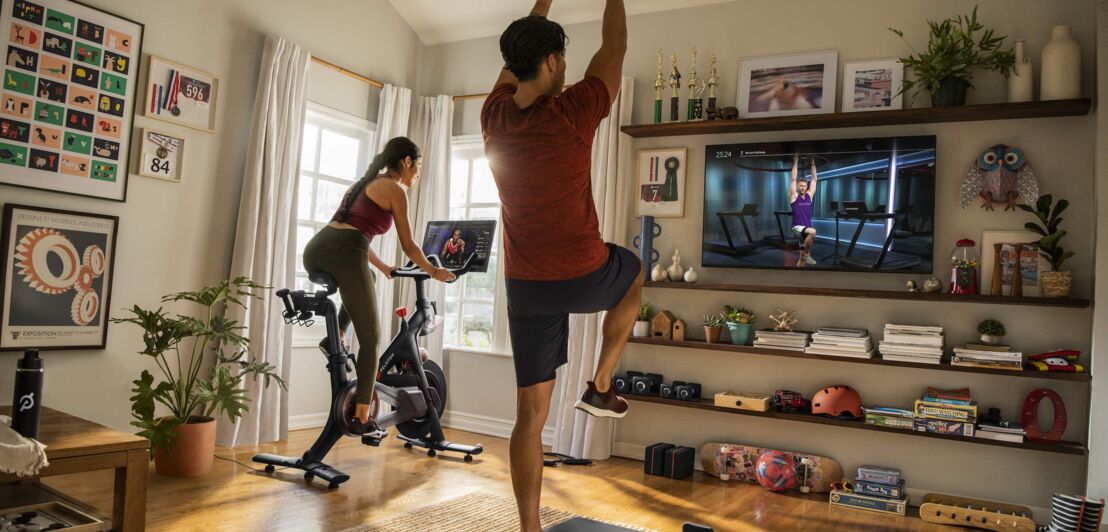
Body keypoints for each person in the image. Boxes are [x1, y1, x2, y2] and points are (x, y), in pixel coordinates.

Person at [481, 1, 639, 530]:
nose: (568, 68)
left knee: (530, 417)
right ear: (551, 61)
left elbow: (513, 61)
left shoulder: (493, 115)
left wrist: (541, 4)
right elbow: (613, 48)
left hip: (526, 287)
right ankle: (600, 381)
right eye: (563, 59)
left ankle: (528, 527)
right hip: (582, 274)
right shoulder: (573, 112)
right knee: (635, 272)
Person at [301, 136, 455, 429]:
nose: (418, 174)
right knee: (371, 337)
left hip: (317, 249)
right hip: (345, 252)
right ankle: (361, 414)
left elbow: (350, 231)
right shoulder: (395, 190)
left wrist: (382, 267)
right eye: (418, 166)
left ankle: (337, 336)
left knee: (368, 277)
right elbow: (409, 246)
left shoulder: (364, 183)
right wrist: (435, 273)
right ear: (407, 162)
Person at [789, 153, 819, 267]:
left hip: (805, 231)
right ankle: (807, 255)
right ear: (797, 186)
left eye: (804, 185)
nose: (803, 187)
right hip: (797, 228)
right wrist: (796, 161)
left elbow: (814, 179)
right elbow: (793, 179)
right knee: (813, 231)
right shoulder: (794, 197)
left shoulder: (809, 196)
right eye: (800, 185)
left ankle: (799, 275)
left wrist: (812, 162)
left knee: (801, 258)